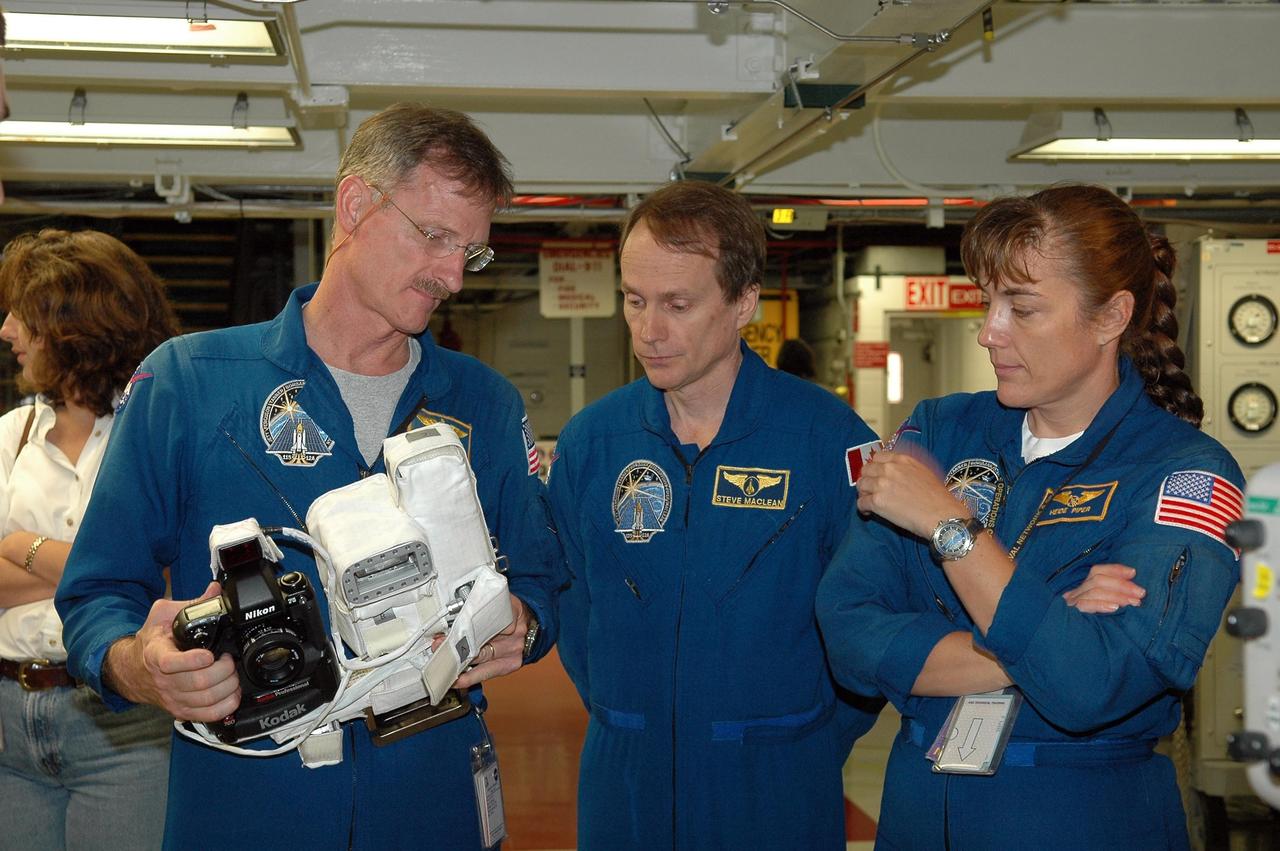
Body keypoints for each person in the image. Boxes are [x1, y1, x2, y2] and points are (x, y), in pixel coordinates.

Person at [55, 103, 562, 850]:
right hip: (247, 803)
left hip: (432, 797)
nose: (453, 275)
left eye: (472, 252)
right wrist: (139, 665)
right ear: (355, 204)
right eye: (434, 236)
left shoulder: (482, 402)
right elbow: (97, 594)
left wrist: (527, 622)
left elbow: (545, 576)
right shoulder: (190, 384)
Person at [816, 184, 1244, 849]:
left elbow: (1093, 684)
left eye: (1023, 307)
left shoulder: (1185, 474)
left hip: (1080, 817)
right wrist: (1036, 635)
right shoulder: (941, 430)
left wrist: (951, 529)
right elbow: (847, 629)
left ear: (1110, 317)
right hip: (923, 810)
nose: (990, 331)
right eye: (989, 302)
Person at [548, 180, 882, 850]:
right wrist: (632, 717)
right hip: (625, 789)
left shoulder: (826, 441)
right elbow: (572, 603)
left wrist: (797, 738)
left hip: (775, 790)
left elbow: (873, 616)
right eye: (634, 300)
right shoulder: (594, 442)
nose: (649, 329)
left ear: (743, 302)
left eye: (677, 304)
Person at [0, 229, 179, 850]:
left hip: (126, 721)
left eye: (23, 316)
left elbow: (166, 578)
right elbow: (131, 572)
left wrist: (17, 544)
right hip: (10, 722)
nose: (6, 331)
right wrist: (107, 569)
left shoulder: (156, 429)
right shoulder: (10, 434)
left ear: (72, 326)